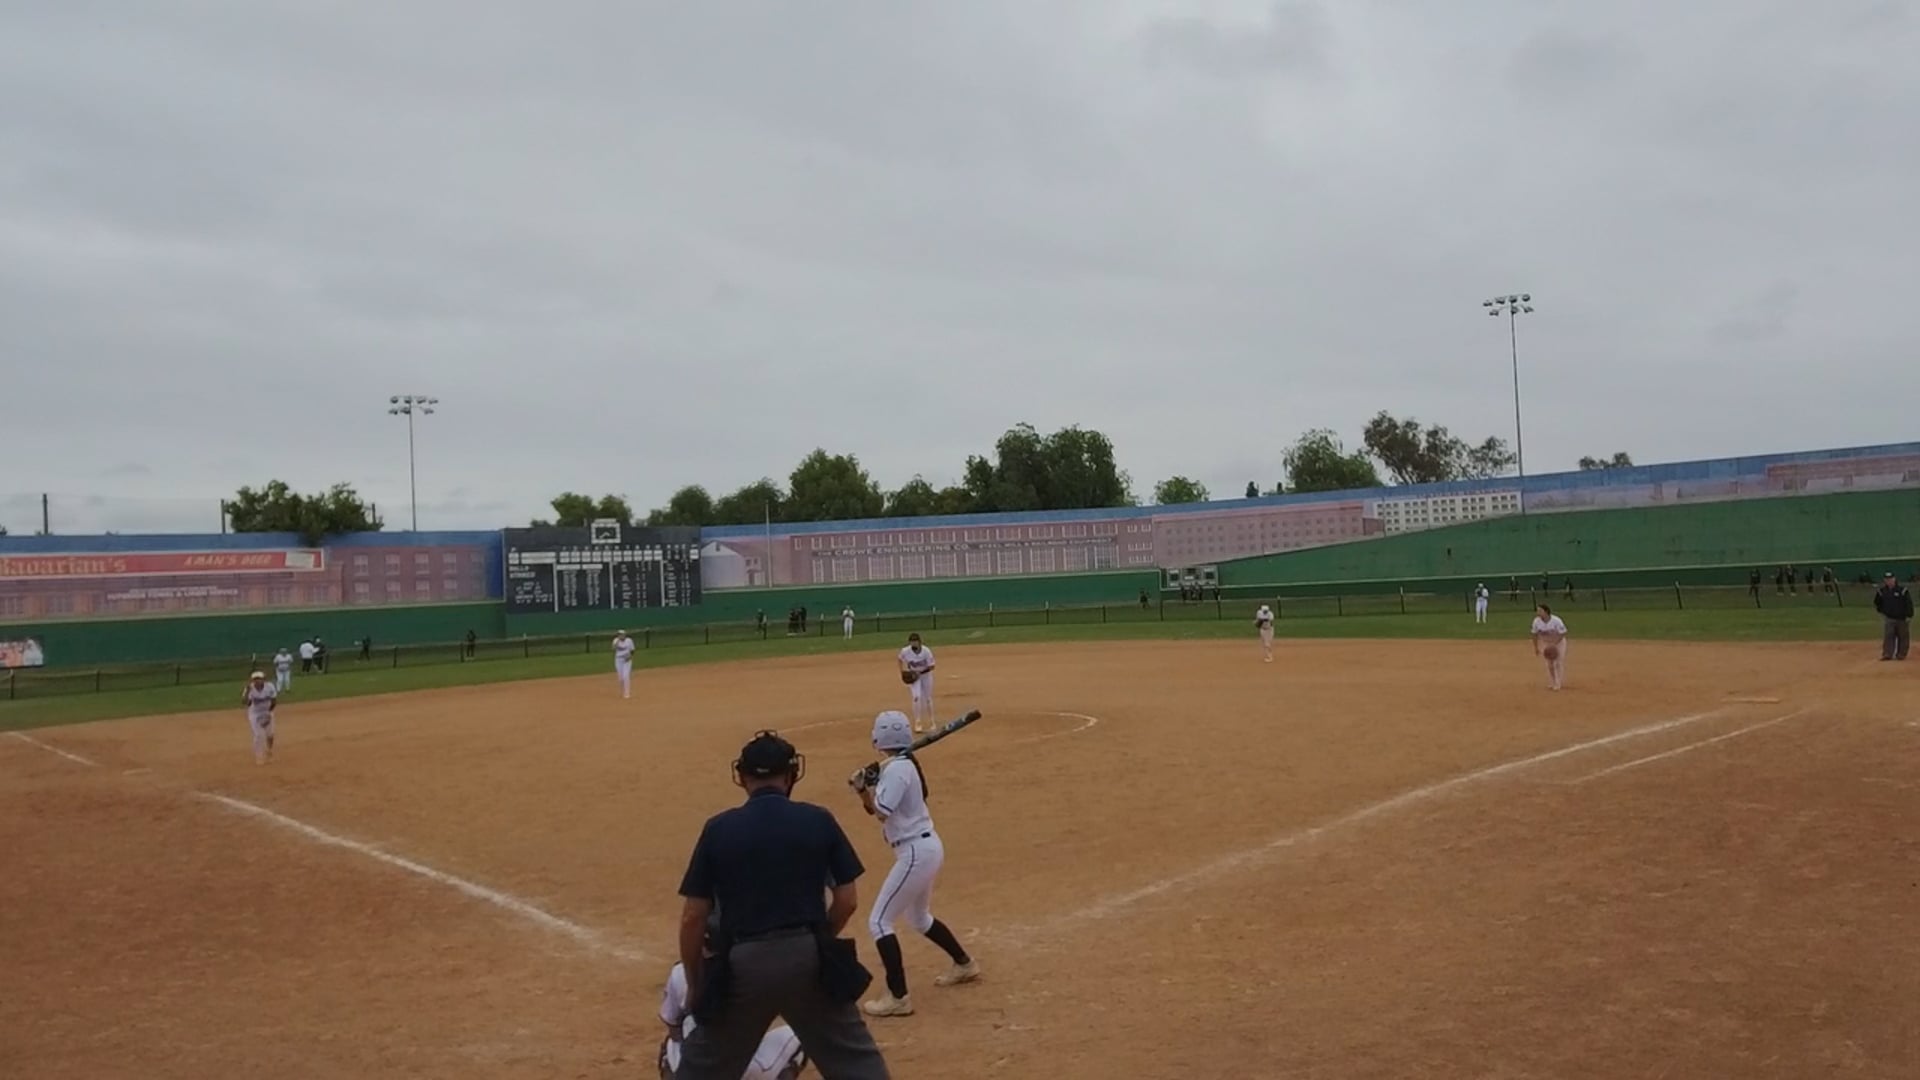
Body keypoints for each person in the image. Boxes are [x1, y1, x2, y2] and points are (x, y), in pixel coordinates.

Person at [671, 730, 891, 1080]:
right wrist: (816, 940)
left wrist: (696, 982)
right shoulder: (817, 819)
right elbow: (847, 900)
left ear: (742, 777)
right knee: (859, 1067)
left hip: (742, 965)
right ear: (791, 775)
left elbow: (692, 917)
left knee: (699, 1071)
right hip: (808, 958)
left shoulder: (718, 829)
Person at [848, 711, 980, 1019]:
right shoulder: (900, 766)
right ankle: (964, 964)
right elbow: (878, 810)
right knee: (918, 918)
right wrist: (866, 786)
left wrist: (862, 788)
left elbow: (881, 812)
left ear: (878, 739)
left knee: (879, 922)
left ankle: (898, 997)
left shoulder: (897, 769)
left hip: (915, 852)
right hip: (923, 848)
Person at [658, 915, 807, 1080]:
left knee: (673, 1043)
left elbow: (673, 1027)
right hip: (749, 1068)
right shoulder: (758, 974)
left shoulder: (680, 973)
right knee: (800, 1036)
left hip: (694, 1067)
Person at [897, 634, 936, 734]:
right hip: (914, 677)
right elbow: (900, 659)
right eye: (912, 642)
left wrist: (920, 673)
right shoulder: (905, 651)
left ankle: (932, 721)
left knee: (928, 698)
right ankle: (917, 722)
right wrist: (902, 672)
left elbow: (932, 666)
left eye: (915, 641)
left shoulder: (926, 651)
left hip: (926, 676)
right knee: (916, 697)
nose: (913, 643)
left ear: (919, 642)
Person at [1873, 572, 1913, 661]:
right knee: (1888, 636)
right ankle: (1887, 654)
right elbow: (1877, 602)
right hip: (1889, 617)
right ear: (1884, 580)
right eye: (1887, 579)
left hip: (1902, 618)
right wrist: (1882, 611)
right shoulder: (1881, 591)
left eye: (1890, 579)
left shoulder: (1902, 590)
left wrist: (1909, 615)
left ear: (1894, 579)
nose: (1889, 581)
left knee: (1903, 636)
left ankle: (1901, 654)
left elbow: (1908, 603)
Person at [242, 670, 279, 765]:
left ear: (264, 680)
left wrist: (268, 714)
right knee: (258, 735)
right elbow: (246, 703)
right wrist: (247, 692)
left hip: (267, 711)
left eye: (259, 679)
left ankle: (269, 750)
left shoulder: (269, 687)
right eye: (255, 679)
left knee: (270, 734)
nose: (257, 681)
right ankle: (259, 756)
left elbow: (274, 701)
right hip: (255, 714)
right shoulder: (250, 688)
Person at [1530, 603, 1568, 691]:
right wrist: (1536, 648)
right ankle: (1553, 681)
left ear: (1546, 611)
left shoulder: (1556, 620)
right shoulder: (1536, 621)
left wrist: (1554, 644)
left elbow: (1562, 633)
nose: (1538, 612)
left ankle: (1558, 683)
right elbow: (1534, 635)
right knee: (1549, 664)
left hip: (1559, 643)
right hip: (1546, 644)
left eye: (1540, 610)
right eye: (1538, 610)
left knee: (1558, 662)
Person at [614, 629, 637, 698]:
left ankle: (627, 693)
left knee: (626, 676)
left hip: (627, 660)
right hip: (618, 660)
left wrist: (630, 656)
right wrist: (618, 640)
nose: (620, 636)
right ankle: (623, 690)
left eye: (622, 634)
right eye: (619, 634)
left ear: (625, 635)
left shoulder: (629, 640)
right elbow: (614, 647)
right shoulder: (615, 640)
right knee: (621, 678)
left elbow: (632, 650)